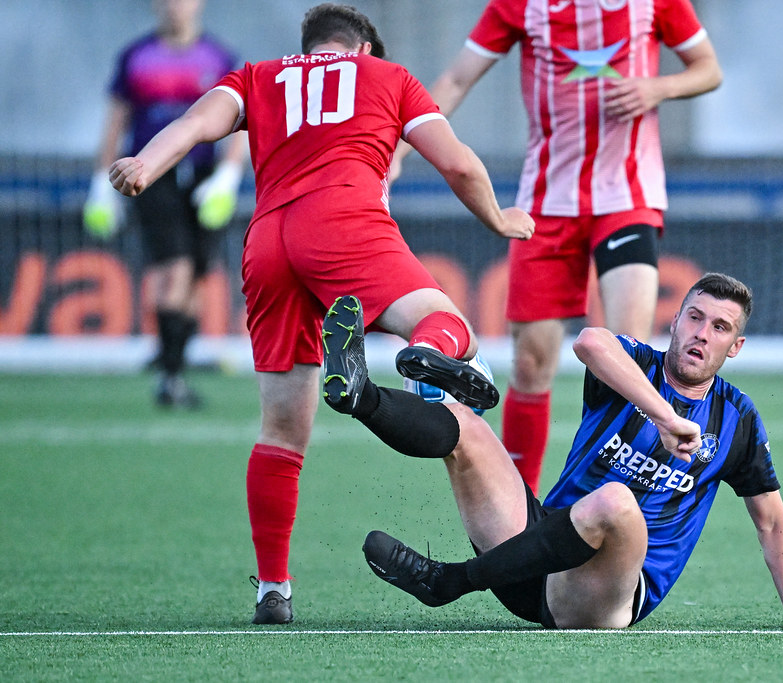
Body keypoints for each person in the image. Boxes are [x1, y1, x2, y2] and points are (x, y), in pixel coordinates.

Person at [107, 3, 534, 625]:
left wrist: (143, 164)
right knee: (448, 323)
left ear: (308, 47)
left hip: (268, 242)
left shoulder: (258, 75)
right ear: (363, 51)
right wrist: (498, 218)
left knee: (280, 432)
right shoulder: (388, 78)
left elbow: (198, 122)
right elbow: (459, 162)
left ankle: (273, 589)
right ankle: (427, 356)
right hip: (342, 223)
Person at [324, 273, 783, 630]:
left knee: (616, 501)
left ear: (734, 347)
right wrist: (666, 417)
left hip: (601, 594)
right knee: (467, 428)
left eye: (719, 328)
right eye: (695, 317)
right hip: (531, 549)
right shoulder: (634, 364)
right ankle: (361, 394)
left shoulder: (737, 420)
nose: (701, 334)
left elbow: (772, 521)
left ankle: (448, 581)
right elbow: (589, 343)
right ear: (676, 319)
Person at [390, 0, 724, 494]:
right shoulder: (521, 7)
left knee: (626, 358)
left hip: (627, 196)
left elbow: (708, 69)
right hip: (546, 203)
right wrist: (397, 150)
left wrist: (658, 87)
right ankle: (516, 515)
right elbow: (457, 80)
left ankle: (615, 508)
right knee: (530, 362)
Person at [83, 0, 248, 408]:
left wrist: (228, 176)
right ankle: (169, 376)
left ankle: (174, 365)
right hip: (153, 173)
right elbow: (116, 120)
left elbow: (242, 118)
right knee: (175, 270)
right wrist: (101, 183)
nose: (176, 6)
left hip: (205, 181)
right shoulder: (137, 57)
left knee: (195, 277)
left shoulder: (219, 56)